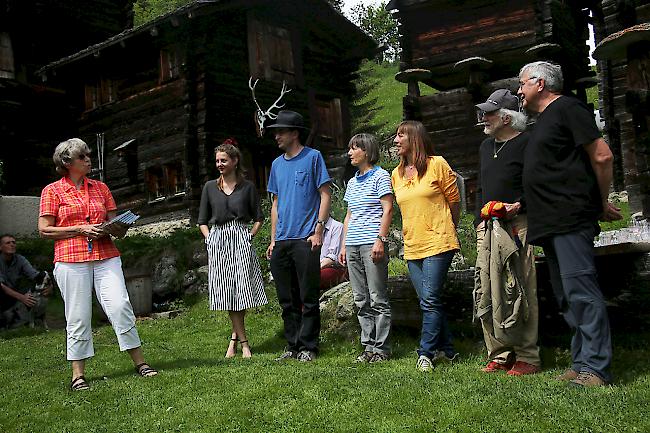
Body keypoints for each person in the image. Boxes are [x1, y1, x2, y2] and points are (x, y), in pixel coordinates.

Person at [518, 61, 622, 387]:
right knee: (565, 297)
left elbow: (602, 155)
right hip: (549, 221)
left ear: (540, 83)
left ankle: (597, 368)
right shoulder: (543, 120)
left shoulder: (569, 109)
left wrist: (600, 201)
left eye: (522, 84)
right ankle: (581, 362)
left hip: (569, 217)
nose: (519, 91)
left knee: (581, 292)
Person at [38, 138, 157, 391]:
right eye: (83, 156)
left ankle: (140, 363)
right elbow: (44, 230)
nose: (88, 159)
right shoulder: (52, 191)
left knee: (120, 306)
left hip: (106, 255)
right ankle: (78, 375)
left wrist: (116, 227)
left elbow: (117, 227)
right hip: (71, 259)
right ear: (67, 162)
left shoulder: (101, 188)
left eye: (89, 155)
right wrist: (81, 228)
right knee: (78, 315)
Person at [473, 89, 541, 376]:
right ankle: (499, 352)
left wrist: (518, 205)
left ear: (507, 117)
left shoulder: (527, 144)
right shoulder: (485, 147)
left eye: (490, 112)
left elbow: (536, 184)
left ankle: (528, 355)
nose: (484, 117)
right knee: (488, 287)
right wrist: (478, 220)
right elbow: (480, 187)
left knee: (521, 287)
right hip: (487, 227)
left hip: (518, 225)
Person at [391, 120, 461, 372]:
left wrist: (448, 227)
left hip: (439, 241)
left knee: (430, 299)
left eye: (401, 136)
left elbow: (454, 201)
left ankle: (426, 353)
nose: (396, 140)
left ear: (415, 139)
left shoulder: (437, 164)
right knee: (427, 301)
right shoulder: (396, 174)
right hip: (412, 245)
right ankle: (448, 350)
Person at [265, 110, 332, 362]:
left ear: (294, 133)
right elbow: (275, 203)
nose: (276, 136)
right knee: (286, 299)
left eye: (281, 131)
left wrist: (319, 230)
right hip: (281, 241)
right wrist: (273, 239)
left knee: (308, 297)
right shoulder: (276, 164)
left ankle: (309, 347)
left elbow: (325, 194)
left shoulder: (313, 157)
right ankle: (292, 346)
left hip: (306, 239)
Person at [198, 140, 267, 359]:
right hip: (218, 239)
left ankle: (235, 339)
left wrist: (249, 236)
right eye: (217, 160)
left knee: (241, 291)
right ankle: (243, 342)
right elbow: (202, 220)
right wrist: (209, 239)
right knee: (228, 292)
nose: (219, 164)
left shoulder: (247, 187)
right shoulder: (210, 187)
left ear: (235, 161)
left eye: (223, 160)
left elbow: (258, 217)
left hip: (240, 237)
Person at [339, 133, 393, 363]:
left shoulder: (381, 176)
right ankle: (368, 347)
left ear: (367, 151)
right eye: (349, 149)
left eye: (354, 148)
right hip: (352, 244)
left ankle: (381, 349)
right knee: (360, 298)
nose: (350, 153)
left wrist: (380, 239)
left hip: (372, 243)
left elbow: (388, 209)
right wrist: (343, 245)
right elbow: (348, 216)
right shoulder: (352, 182)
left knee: (377, 297)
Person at [0, 234, 52, 328]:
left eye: (14, 242)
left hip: (14, 291)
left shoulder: (20, 259)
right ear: (1, 247)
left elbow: (35, 275)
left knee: (31, 292)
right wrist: (22, 297)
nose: (12, 244)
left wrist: (49, 286)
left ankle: (32, 317)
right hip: (2, 294)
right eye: (8, 243)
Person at [319, 216, 347, 291]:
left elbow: (332, 258)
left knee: (314, 277)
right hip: (319, 266)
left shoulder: (337, 227)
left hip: (334, 267)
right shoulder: (310, 228)